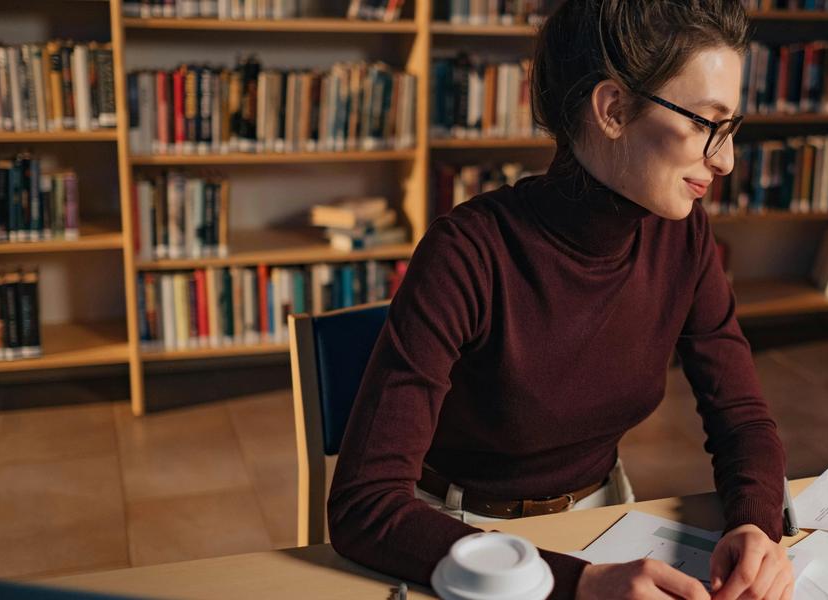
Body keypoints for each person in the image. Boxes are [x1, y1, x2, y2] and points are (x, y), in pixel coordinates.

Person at [327, 1, 793, 598]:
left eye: (730, 128)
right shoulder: (466, 252)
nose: (724, 159)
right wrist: (579, 584)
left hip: (604, 524)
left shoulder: (684, 234)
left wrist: (756, 523)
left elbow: (743, 419)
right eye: (705, 123)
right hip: (462, 541)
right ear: (614, 109)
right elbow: (364, 504)